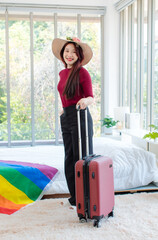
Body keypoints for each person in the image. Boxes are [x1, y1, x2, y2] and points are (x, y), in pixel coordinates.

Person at [52, 37, 94, 206]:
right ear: (62, 54)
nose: (70, 55)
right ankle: (75, 197)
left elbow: (91, 96)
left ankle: (86, 197)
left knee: (81, 157)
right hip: (67, 116)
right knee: (69, 157)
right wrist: (64, 109)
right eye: (67, 51)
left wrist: (85, 101)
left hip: (80, 116)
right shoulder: (62, 73)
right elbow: (65, 96)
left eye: (74, 52)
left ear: (79, 55)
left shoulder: (82, 72)